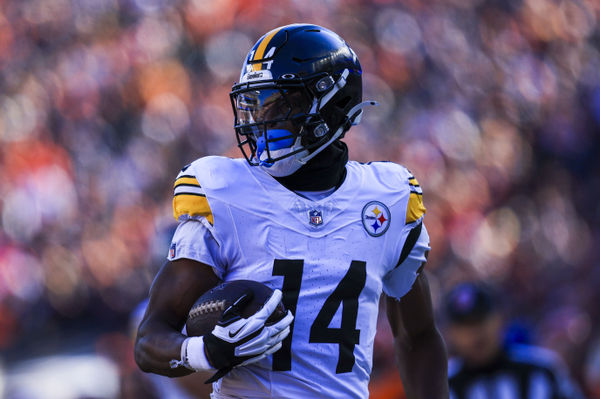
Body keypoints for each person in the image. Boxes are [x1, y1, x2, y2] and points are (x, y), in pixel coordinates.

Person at [135, 23, 449, 399]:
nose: (261, 124)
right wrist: (205, 351)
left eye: (282, 105)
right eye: (256, 106)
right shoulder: (225, 192)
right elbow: (150, 339)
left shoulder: (387, 199)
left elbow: (419, 337)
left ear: (332, 104)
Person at [444, 282, 583, 399]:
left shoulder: (541, 370)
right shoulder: (445, 385)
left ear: (499, 318)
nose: (475, 332)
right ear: (451, 333)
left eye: (480, 320)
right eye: (465, 326)